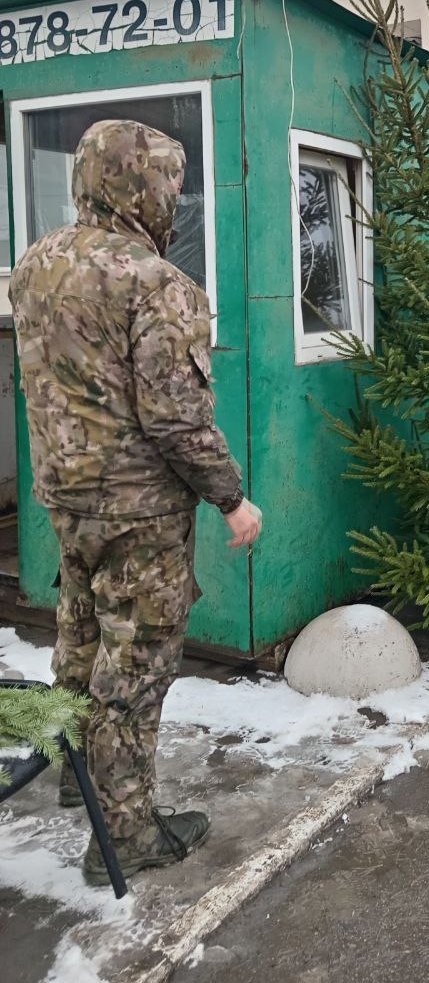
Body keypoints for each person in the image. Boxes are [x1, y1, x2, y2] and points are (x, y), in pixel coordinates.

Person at [10, 119, 261, 887]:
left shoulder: (37, 264)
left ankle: (74, 775)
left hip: (67, 498)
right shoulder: (156, 283)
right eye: (168, 185)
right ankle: (123, 835)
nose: (174, 201)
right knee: (135, 670)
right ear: (142, 187)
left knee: (80, 636)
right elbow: (177, 419)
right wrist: (232, 499)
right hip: (140, 513)